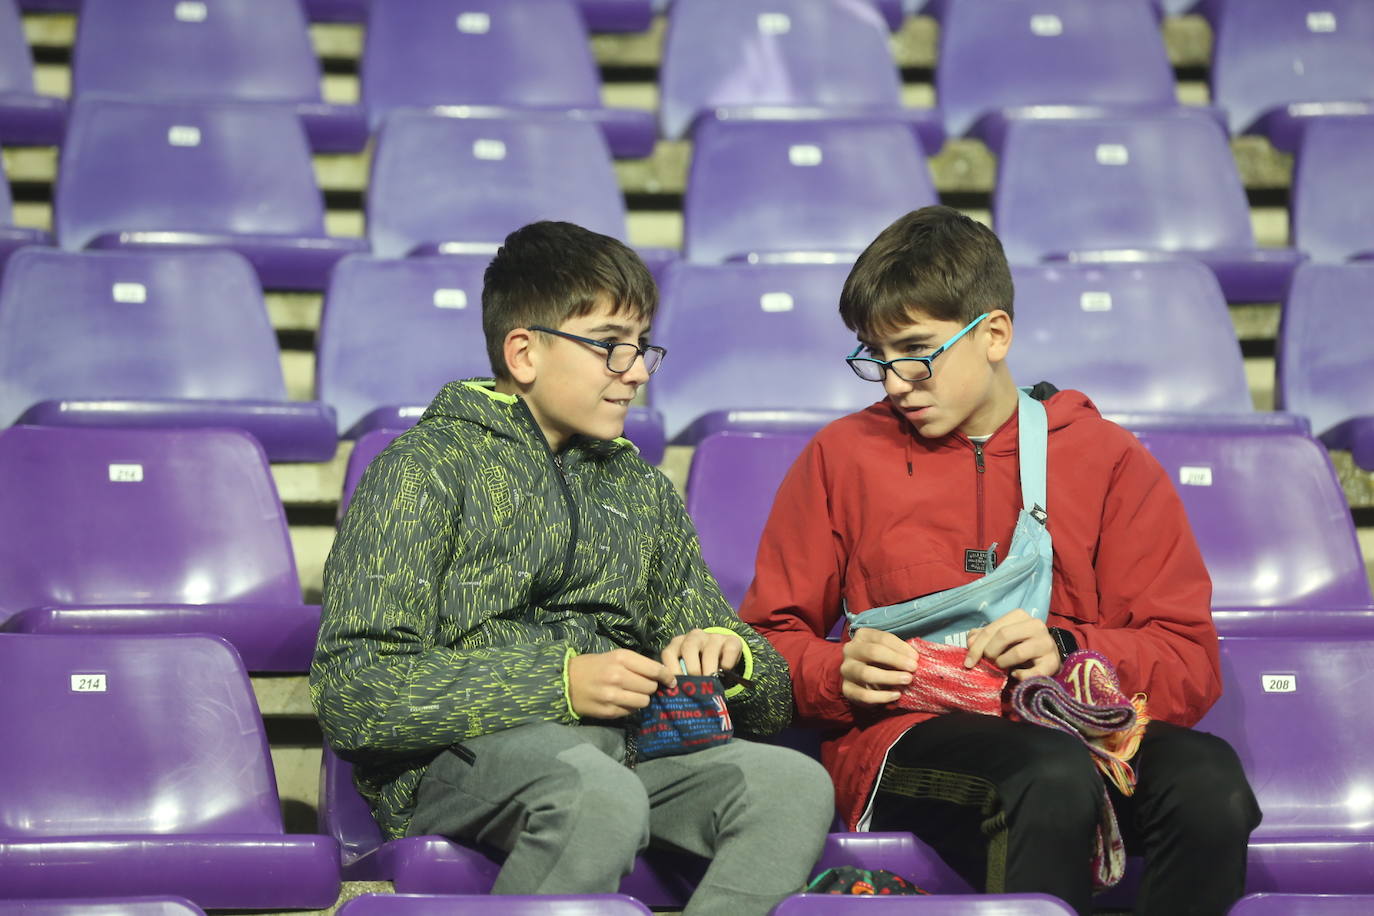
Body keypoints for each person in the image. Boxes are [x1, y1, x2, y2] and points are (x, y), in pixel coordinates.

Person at [739, 206, 1261, 915]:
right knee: (1046, 774)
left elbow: (1188, 660)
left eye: (916, 352)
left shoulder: (1108, 460)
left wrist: (1068, 649)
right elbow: (765, 646)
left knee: (1210, 781)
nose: (895, 382)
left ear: (993, 335)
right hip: (903, 743)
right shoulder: (841, 457)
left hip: (1069, 728)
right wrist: (838, 670)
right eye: (876, 356)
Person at [311, 221, 834, 915]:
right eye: (612, 346)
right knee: (595, 794)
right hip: (461, 764)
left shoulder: (641, 488)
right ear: (524, 352)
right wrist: (558, 684)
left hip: (628, 753)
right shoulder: (420, 471)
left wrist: (731, 658)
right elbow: (356, 693)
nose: (638, 371)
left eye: (642, 347)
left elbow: (766, 693)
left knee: (792, 786)